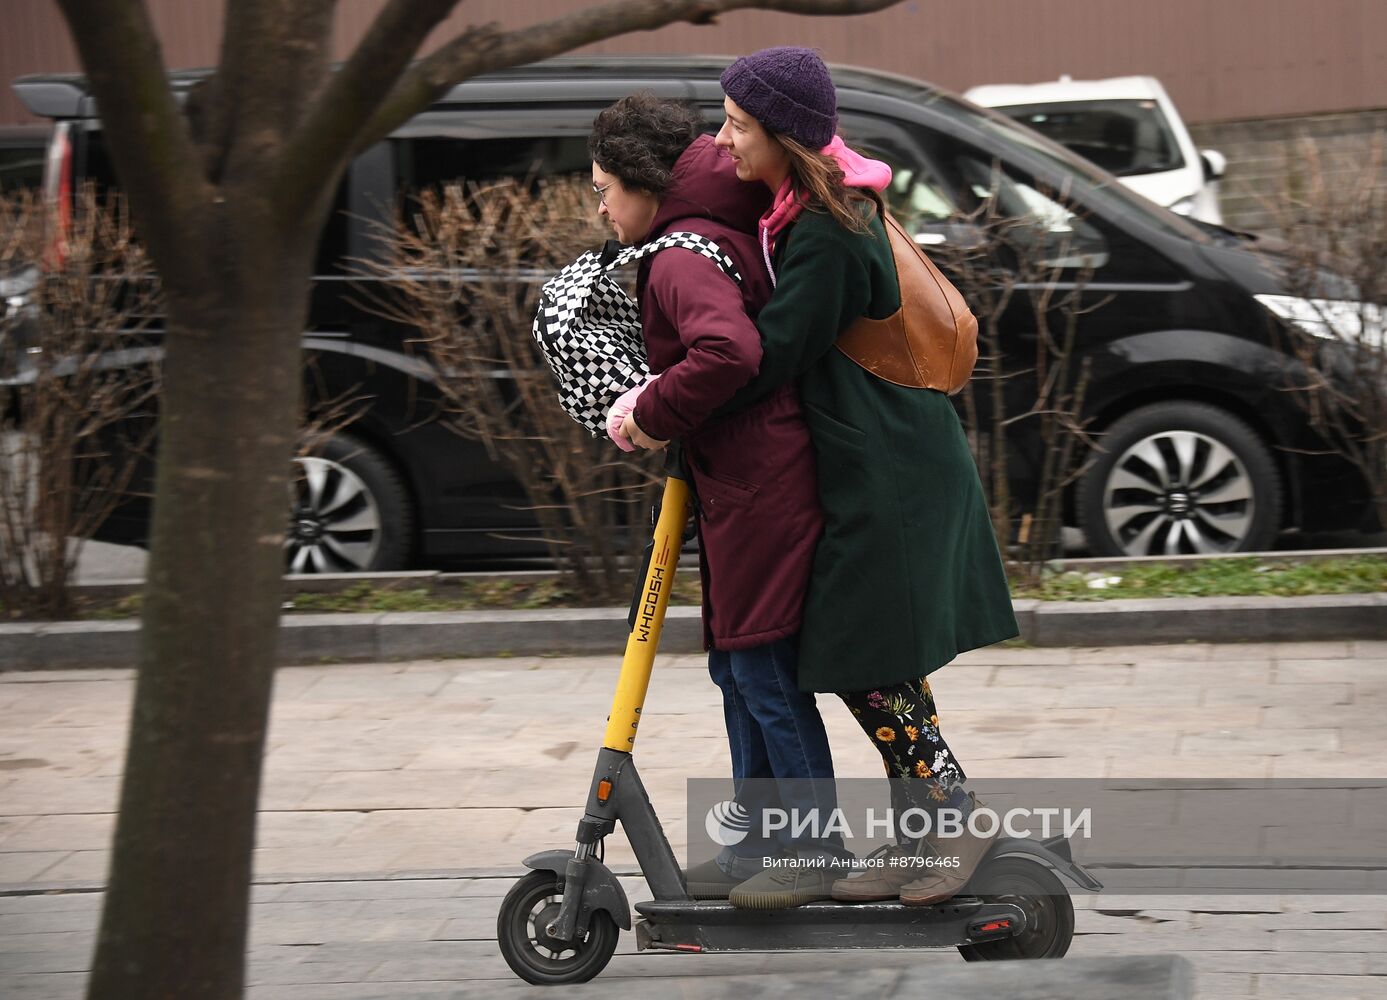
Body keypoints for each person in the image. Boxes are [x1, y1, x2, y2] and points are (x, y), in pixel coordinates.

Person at [624, 48, 1021, 908]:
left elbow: (767, 358)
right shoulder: (813, 207)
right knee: (878, 661)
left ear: (784, 135)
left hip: (887, 471)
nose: (723, 141)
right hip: (874, 459)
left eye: (736, 125)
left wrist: (665, 400)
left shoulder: (826, 230)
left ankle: (959, 818)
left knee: (861, 658)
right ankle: (922, 835)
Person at [588, 93, 851, 908]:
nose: (599, 206)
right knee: (737, 668)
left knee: (763, 667)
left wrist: (647, 410)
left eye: (602, 188)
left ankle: (813, 852)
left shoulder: (678, 255)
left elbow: (728, 352)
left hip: (760, 484)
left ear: (640, 182)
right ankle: (759, 847)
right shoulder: (696, 234)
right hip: (743, 481)